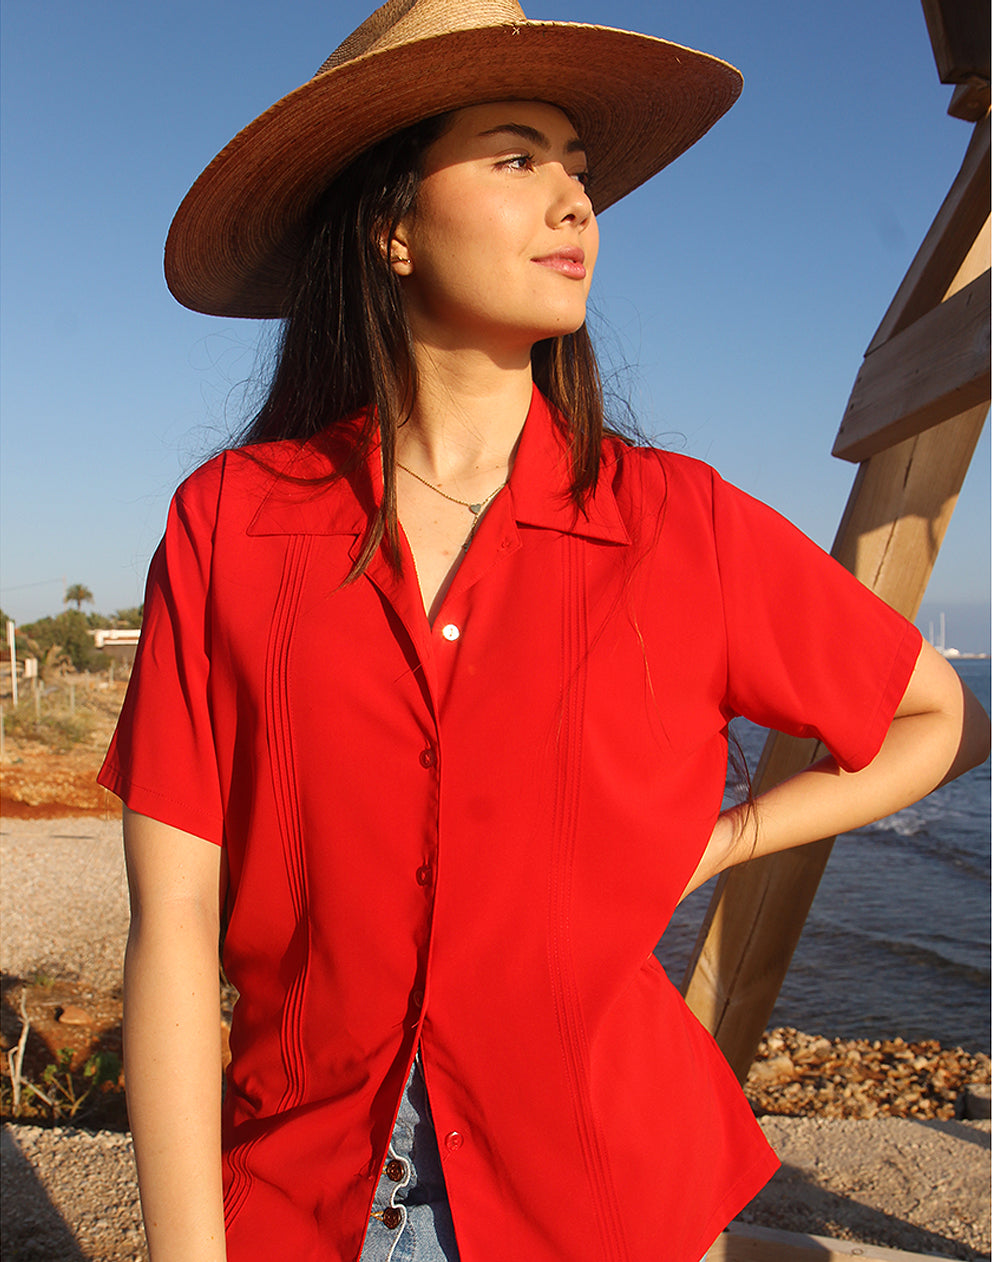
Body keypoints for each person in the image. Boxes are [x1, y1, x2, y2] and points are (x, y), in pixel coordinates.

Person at [99, 3, 991, 1260]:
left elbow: (937, 716)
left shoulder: (677, 519)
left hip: (606, 1200)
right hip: (302, 1201)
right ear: (391, 224)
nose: (575, 201)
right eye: (517, 155)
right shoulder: (231, 525)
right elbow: (176, 922)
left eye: (577, 166)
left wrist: (720, 839)